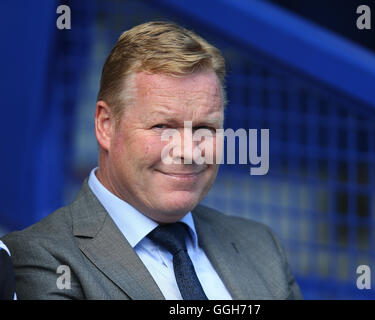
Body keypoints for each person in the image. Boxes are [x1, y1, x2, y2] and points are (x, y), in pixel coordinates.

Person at [1, 21, 302, 300]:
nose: (187, 150)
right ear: (106, 125)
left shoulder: (261, 246)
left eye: (205, 128)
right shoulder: (40, 257)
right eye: (163, 127)